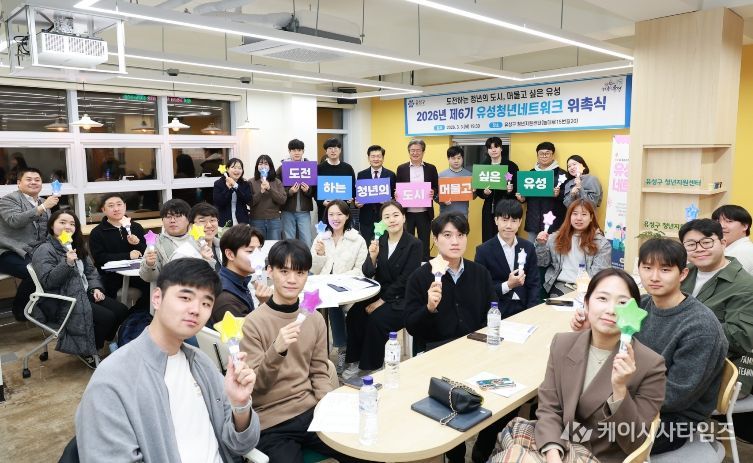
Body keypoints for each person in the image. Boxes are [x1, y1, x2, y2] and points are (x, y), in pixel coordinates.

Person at [75, 258, 260, 462]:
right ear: (157, 298)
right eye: (185, 297)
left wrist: (240, 406)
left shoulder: (202, 364)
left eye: (206, 303)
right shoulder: (113, 380)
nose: (196, 309)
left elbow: (241, 445)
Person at [491, 268, 666, 463]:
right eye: (602, 298)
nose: (611, 310)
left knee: (512, 456)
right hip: (558, 442)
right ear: (586, 303)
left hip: (600, 455)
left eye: (623, 303)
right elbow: (549, 409)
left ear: (634, 313)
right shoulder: (562, 344)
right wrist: (553, 454)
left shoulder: (651, 365)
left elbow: (635, 442)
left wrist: (619, 390)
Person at [571, 238, 728, 454]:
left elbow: (676, 397)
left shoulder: (700, 328)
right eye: (647, 268)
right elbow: (613, 346)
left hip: (670, 422)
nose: (654, 277)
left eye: (665, 269)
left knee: (577, 434)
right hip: (627, 398)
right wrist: (590, 330)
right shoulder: (642, 305)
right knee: (562, 418)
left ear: (683, 274)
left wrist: (613, 396)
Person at [239, 240, 364, 463]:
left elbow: (319, 371)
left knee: (362, 448)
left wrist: (328, 408)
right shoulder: (253, 323)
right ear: (269, 271)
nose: (292, 279)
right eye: (284, 271)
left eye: (300, 272)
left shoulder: (314, 319)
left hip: (311, 411)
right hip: (271, 422)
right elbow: (256, 388)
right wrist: (276, 350)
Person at [404, 211, 497, 462]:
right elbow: (411, 326)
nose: (455, 241)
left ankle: (483, 448)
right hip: (438, 355)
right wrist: (428, 309)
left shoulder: (479, 273)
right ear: (435, 239)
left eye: (461, 235)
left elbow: (491, 314)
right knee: (449, 407)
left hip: (477, 351)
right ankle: (455, 455)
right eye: (447, 235)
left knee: (507, 400)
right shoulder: (420, 277)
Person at [32, 210, 129, 369]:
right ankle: (88, 351)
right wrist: (67, 263)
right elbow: (48, 282)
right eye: (62, 222)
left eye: (72, 224)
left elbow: (90, 272)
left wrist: (95, 288)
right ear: (51, 226)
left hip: (84, 293)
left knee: (122, 311)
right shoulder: (45, 249)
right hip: (64, 299)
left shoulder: (76, 245)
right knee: (107, 318)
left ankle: (94, 342)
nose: (67, 226)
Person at [344, 200, 422, 376]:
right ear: (382, 221)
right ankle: (355, 361)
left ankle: (371, 366)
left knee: (377, 320)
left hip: (403, 298)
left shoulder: (414, 244)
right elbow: (367, 272)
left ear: (403, 217)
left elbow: (406, 279)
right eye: (386, 217)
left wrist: (381, 301)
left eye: (395, 215)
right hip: (380, 291)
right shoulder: (380, 240)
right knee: (355, 314)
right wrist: (372, 256)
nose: (392, 220)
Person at [678, 219, 753, 395]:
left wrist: (685, 331)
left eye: (706, 242)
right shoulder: (684, 273)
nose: (699, 249)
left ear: (723, 242)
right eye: (691, 244)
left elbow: (740, 337)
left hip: (719, 372)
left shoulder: (745, 285)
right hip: (679, 360)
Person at [310, 199, 368, 374]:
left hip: (350, 288)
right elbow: (313, 269)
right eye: (331, 214)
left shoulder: (357, 240)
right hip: (324, 287)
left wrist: (339, 280)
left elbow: (361, 270)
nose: (335, 218)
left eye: (339, 214)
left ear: (347, 216)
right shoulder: (321, 238)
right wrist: (319, 255)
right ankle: (331, 349)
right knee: (313, 305)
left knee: (336, 304)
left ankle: (344, 349)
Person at [0, 167, 58, 320]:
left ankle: (47, 309)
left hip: (34, 252)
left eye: (37, 180)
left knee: (57, 268)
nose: (33, 182)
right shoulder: (8, 200)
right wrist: (43, 207)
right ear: (19, 183)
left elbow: (46, 231)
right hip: (8, 252)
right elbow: (14, 220)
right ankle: (21, 311)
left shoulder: (43, 202)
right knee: (37, 272)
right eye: (29, 179)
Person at [475, 199, 540, 317]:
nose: (509, 226)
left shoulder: (528, 247)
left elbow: (534, 283)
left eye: (514, 221)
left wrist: (531, 312)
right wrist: (508, 285)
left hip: (524, 307)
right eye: (504, 220)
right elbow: (482, 289)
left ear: (520, 222)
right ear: (496, 220)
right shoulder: (483, 251)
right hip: (497, 310)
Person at [535, 199, 611, 297]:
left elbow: (599, 275)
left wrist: (583, 291)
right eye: (575, 214)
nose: (579, 218)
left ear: (591, 217)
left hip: (589, 288)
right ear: (569, 216)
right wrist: (541, 245)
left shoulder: (601, 243)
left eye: (584, 214)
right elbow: (542, 263)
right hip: (562, 285)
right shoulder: (555, 238)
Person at [88, 193, 149, 308]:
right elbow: (100, 258)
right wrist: (127, 255)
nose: (116, 209)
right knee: (110, 296)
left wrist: (137, 244)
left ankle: (137, 313)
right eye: (111, 206)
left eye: (119, 204)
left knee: (153, 286)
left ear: (125, 206)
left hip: (136, 273)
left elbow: (146, 253)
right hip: (111, 275)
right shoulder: (97, 232)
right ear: (103, 210)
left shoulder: (136, 227)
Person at [140, 199, 216, 285]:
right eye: (168, 217)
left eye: (178, 216)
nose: (172, 220)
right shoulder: (155, 242)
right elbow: (148, 278)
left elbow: (212, 271)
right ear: (162, 220)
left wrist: (207, 260)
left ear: (188, 219)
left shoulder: (199, 238)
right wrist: (149, 265)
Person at [209, 224, 272, 326]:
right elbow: (246, 332)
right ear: (230, 254)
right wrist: (264, 304)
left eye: (259, 249)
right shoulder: (225, 297)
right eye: (250, 251)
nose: (258, 256)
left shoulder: (239, 281)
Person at [396, 138, 439, 261]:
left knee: (424, 243)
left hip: (424, 212)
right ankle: (407, 265)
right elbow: (398, 187)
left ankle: (424, 265)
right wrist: (397, 194)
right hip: (407, 213)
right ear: (409, 151)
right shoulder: (401, 168)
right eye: (412, 150)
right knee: (406, 241)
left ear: (423, 152)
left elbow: (436, 187)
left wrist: (433, 191)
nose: (415, 153)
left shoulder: (431, 168)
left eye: (418, 150)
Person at [516, 141, 567, 242]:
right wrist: (522, 199)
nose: (544, 156)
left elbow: (569, 196)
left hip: (554, 223)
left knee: (552, 250)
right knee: (532, 249)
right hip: (533, 221)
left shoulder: (562, 174)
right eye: (541, 153)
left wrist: (558, 194)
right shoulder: (530, 174)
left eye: (547, 153)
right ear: (537, 155)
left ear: (553, 155)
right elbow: (526, 196)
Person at [476, 137, 519, 242]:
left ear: (501, 148)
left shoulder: (511, 166)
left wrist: (510, 191)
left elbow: (518, 188)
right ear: (487, 150)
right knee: (488, 237)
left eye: (496, 147)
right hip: (488, 208)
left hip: (507, 207)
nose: (493, 150)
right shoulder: (483, 167)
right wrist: (484, 193)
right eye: (490, 148)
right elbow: (478, 190)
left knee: (506, 237)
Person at [355, 144, 396, 243]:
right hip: (366, 218)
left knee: (385, 244)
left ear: (383, 158)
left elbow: (395, 197)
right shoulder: (361, 175)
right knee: (368, 245)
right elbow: (357, 196)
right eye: (373, 156)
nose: (376, 159)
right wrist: (357, 204)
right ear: (368, 158)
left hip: (385, 218)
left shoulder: (391, 175)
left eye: (379, 156)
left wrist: (389, 201)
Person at [279, 139, 315, 246]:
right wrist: (289, 192)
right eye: (293, 150)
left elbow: (315, 190)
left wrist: (307, 190)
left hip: (304, 210)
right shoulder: (282, 168)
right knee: (288, 240)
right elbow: (277, 188)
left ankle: (306, 257)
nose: (296, 152)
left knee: (306, 240)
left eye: (299, 150)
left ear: (303, 151)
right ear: (289, 151)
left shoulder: (310, 167)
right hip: (287, 210)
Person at [315, 137, 356, 221]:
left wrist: (351, 198)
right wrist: (322, 202)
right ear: (326, 151)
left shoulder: (348, 168)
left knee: (343, 229)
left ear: (340, 150)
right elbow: (314, 189)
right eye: (330, 148)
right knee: (325, 229)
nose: (333, 151)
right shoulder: (319, 168)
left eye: (335, 148)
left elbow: (353, 187)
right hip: (325, 210)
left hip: (343, 210)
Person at [249, 155, 286, 240]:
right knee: (258, 245)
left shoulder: (277, 182)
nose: (263, 166)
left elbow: (282, 200)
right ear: (257, 166)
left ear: (270, 167)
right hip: (256, 220)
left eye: (266, 164)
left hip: (274, 220)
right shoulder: (251, 182)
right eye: (260, 163)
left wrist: (270, 188)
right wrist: (261, 191)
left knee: (274, 245)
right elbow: (250, 202)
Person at [712, 204, 753, 274]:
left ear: (745, 226)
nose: (721, 226)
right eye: (717, 221)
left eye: (729, 221)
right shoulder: (725, 247)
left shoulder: (745, 250)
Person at [213, 157, 252, 226]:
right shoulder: (219, 183)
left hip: (242, 221)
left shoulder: (245, 184)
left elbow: (247, 199)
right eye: (234, 167)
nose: (237, 170)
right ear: (227, 169)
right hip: (224, 222)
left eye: (239, 168)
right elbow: (219, 202)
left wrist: (235, 185)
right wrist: (228, 189)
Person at [438, 145, 474, 216]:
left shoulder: (469, 175)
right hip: (445, 214)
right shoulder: (441, 175)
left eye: (459, 158)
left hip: (462, 214)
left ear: (462, 158)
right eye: (453, 158)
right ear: (448, 159)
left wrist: (474, 192)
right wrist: (442, 201)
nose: (456, 161)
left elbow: (474, 196)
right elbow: (436, 195)